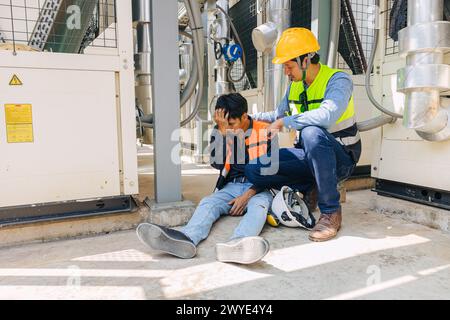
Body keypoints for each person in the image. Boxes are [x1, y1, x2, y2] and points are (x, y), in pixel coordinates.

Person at [245, 28, 361, 242]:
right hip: (309, 155)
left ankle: (330, 212)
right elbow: (278, 115)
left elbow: (327, 116)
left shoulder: (338, 80)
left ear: (306, 60)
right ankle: (310, 186)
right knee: (255, 168)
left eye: (289, 66)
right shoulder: (294, 87)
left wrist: (287, 122)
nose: (287, 72)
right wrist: (250, 118)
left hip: (342, 158)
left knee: (311, 133)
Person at [137, 93, 273, 264]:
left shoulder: (265, 130)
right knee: (208, 203)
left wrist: (247, 196)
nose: (228, 128)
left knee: (259, 208)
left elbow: (272, 173)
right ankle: (186, 239)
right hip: (231, 187)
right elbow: (217, 163)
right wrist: (223, 132)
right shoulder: (221, 129)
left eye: (231, 123)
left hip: (258, 188)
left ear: (244, 116)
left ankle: (238, 244)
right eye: (224, 124)